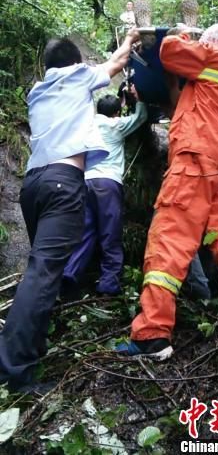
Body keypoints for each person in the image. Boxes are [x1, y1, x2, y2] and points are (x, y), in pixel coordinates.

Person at [118, 23, 218, 361]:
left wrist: (177, 31)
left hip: (197, 157)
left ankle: (152, 335)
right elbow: (193, 103)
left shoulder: (211, 57)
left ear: (212, 43)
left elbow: (169, 51)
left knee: (170, 235)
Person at [0, 31, 139, 392]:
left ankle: (28, 349)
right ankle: (14, 370)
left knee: (40, 270)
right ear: (76, 63)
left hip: (33, 185)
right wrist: (130, 38)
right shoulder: (77, 76)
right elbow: (118, 62)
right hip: (63, 181)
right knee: (43, 274)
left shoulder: (37, 91)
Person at [62, 86, 148, 295]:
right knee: (110, 232)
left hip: (85, 182)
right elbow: (141, 116)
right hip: (107, 183)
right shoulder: (115, 125)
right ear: (116, 113)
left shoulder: (88, 126)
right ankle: (108, 283)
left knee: (86, 231)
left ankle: (69, 274)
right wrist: (139, 97)